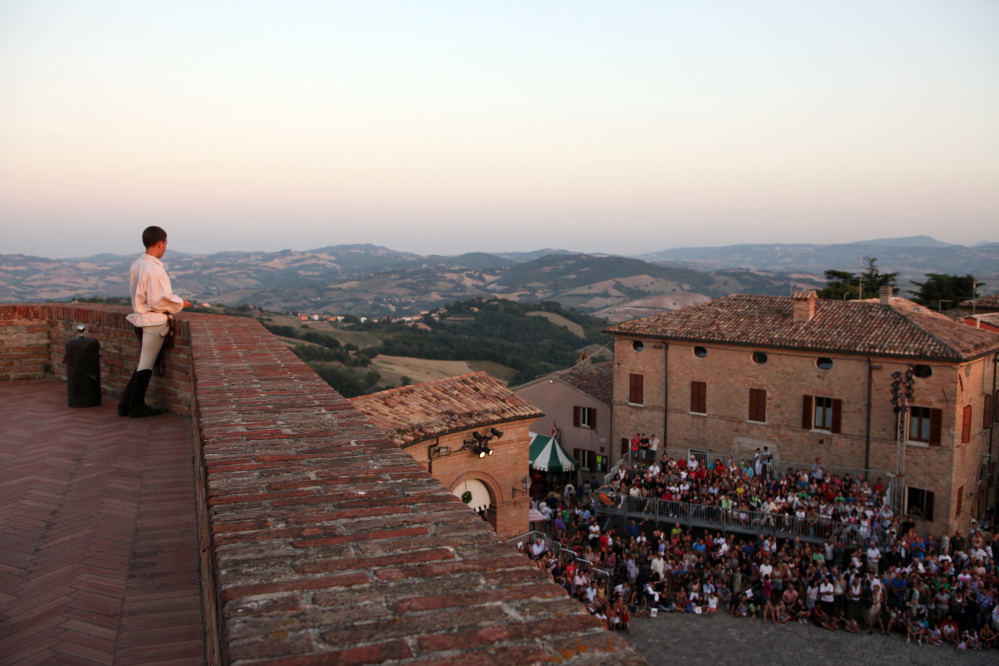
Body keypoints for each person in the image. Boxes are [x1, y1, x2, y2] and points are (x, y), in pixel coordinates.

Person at [120, 226, 190, 418]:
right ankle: (135, 405)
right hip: (153, 322)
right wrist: (180, 303)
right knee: (146, 365)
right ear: (160, 243)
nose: (165, 247)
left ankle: (125, 404)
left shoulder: (137, 264)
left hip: (141, 320)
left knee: (143, 363)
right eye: (166, 244)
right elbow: (158, 300)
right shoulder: (154, 270)